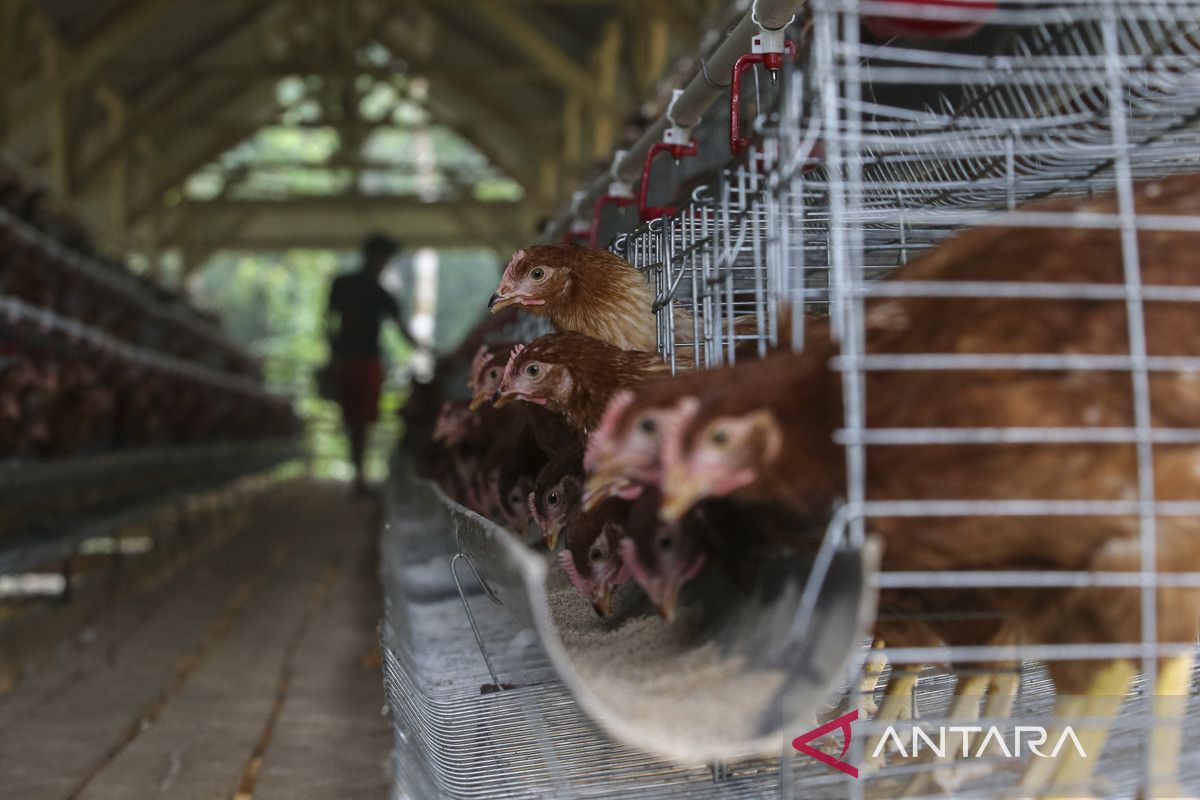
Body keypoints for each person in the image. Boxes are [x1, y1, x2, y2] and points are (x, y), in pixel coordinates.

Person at [326, 234, 413, 495]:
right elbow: (401, 330)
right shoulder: (372, 290)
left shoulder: (351, 286)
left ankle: (359, 477)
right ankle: (359, 478)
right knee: (359, 419)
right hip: (360, 361)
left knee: (359, 420)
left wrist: (333, 354)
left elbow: (329, 323)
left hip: (356, 360)